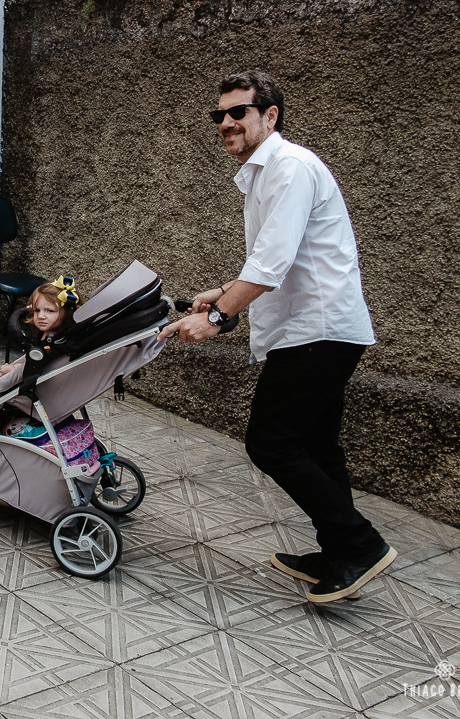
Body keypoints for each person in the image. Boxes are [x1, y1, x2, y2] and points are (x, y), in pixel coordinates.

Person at [158, 70, 395, 604]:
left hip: (317, 330)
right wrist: (222, 292)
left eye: (238, 112)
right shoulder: (263, 174)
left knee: (271, 442)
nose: (226, 123)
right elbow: (278, 259)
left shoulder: (289, 166)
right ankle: (340, 553)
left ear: (270, 115)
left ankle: (360, 544)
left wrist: (218, 319)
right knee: (317, 446)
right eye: (219, 115)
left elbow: (272, 261)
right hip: (312, 329)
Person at [0, 276, 80, 400]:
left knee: (4, 373)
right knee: (2, 373)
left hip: (36, 388)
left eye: (49, 311)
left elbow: (38, 368)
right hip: (35, 377)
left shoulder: (58, 342)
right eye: (37, 310)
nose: (41, 316)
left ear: (67, 313)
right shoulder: (52, 334)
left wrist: (12, 369)